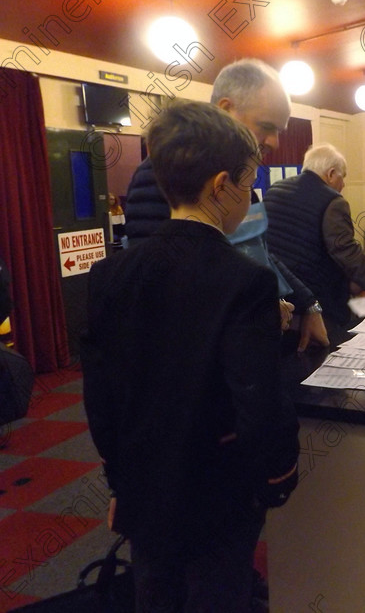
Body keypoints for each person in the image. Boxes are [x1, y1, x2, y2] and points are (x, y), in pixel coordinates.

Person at [81, 101, 300, 612]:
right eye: (249, 184)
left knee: (154, 591)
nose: (250, 196)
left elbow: (101, 398)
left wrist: (120, 480)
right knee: (217, 592)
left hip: (142, 478)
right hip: (215, 489)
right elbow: (257, 402)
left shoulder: (109, 276)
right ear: (221, 185)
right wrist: (277, 477)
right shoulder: (246, 282)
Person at [123, 58, 328, 351]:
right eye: (266, 127)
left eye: (280, 131)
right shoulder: (163, 172)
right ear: (225, 109)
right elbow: (160, 282)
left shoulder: (241, 178)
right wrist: (257, 310)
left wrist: (308, 303)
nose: (275, 143)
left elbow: (261, 252)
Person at [264, 143, 365, 332]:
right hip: (318, 302)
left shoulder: (275, 189)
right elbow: (348, 255)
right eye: (343, 177)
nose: (344, 184)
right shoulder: (332, 201)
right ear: (331, 173)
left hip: (280, 296)